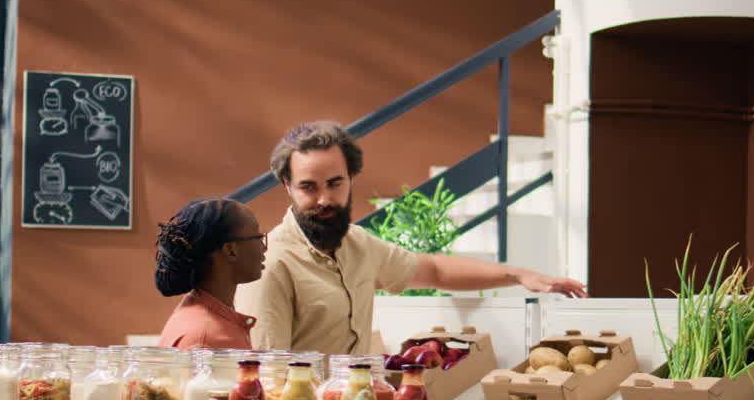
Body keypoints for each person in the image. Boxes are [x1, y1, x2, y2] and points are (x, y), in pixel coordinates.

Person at [238, 120, 588, 354]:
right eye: (308, 188)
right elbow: (270, 376)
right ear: (287, 186)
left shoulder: (359, 245)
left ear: (351, 178)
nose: (325, 200)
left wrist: (519, 275)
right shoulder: (270, 266)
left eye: (335, 184)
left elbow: (435, 270)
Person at [155, 197, 268, 350]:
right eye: (257, 237)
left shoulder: (207, 318)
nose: (263, 247)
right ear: (230, 250)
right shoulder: (206, 340)